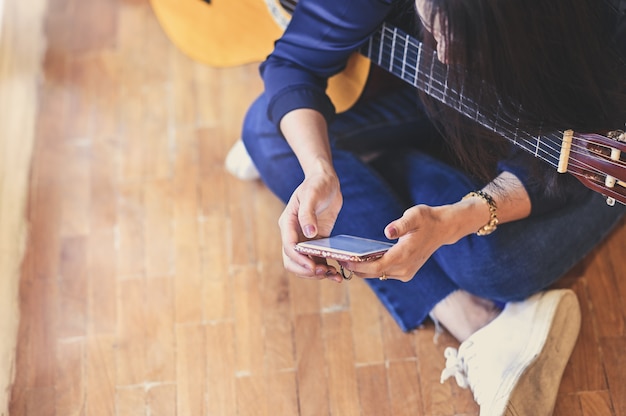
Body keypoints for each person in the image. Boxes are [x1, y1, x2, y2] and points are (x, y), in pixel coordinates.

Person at [234, 0, 626, 414]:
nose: (442, 54)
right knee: (266, 127)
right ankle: (472, 319)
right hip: (426, 101)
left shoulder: (601, 18)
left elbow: (558, 173)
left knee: (497, 266)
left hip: (572, 144)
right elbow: (294, 61)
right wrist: (318, 171)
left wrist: (461, 217)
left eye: (465, 44)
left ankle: (379, 171)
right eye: (434, 28)